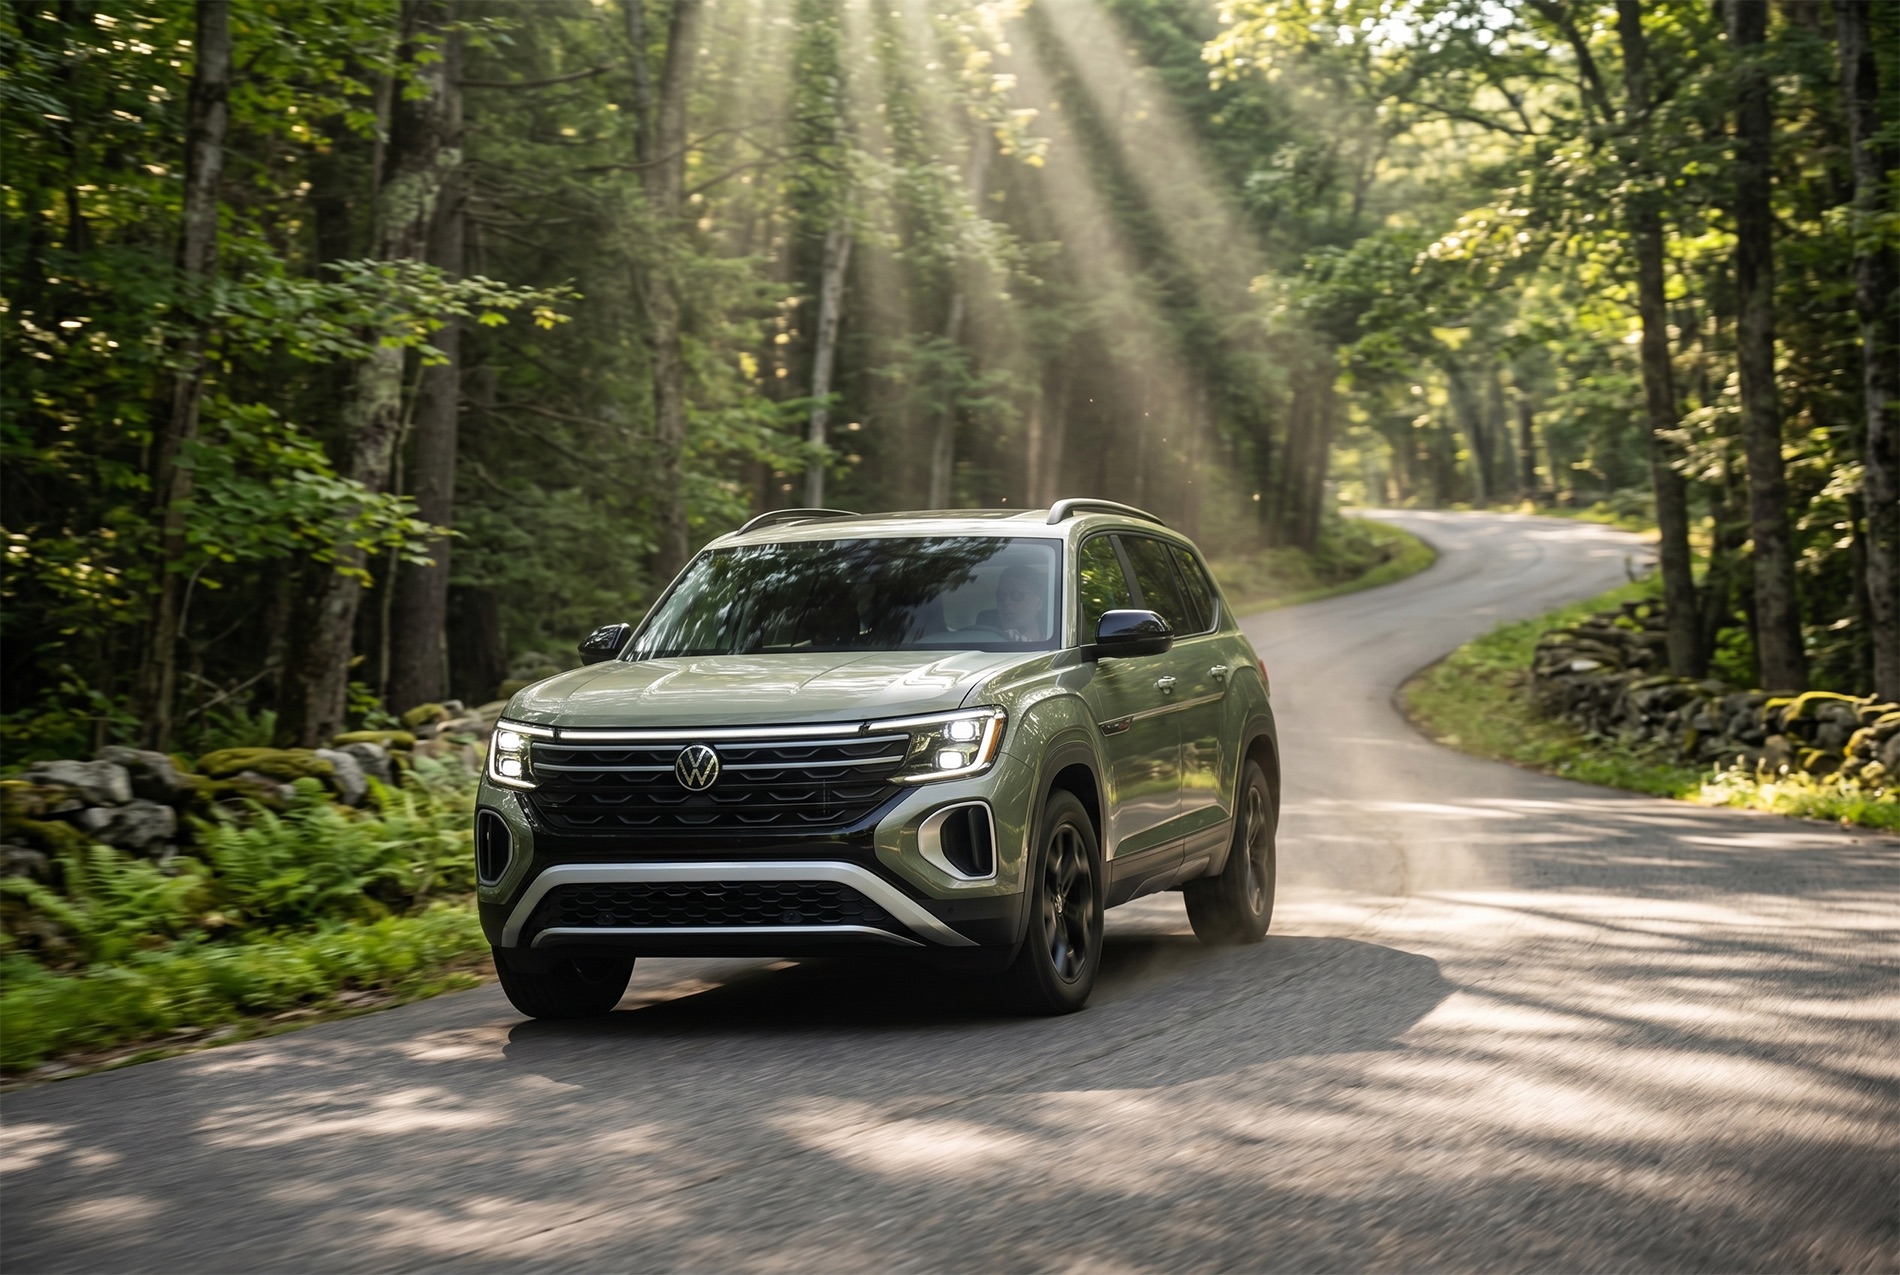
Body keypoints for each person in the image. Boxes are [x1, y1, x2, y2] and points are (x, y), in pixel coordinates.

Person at [974, 565, 1047, 642]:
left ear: (1039, 602)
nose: (1006, 602)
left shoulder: (1056, 645)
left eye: (1017, 595)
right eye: (1001, 596)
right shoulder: (981, 646)